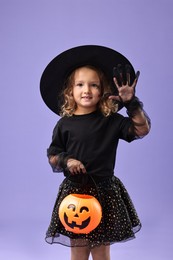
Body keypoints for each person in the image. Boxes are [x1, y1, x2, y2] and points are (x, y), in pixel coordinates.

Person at [40, 45, 151, 260]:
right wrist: (67, 160)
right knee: (79, 251)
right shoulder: (64, 124)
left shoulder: (112, 121)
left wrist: (131, 103)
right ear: (69, 91)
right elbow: (53, 155)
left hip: (105, 193)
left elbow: (141, 129)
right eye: (80, 84)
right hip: (75, 194)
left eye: (94, 85)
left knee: (101, 252)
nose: (86, 90)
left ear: (103, 90)